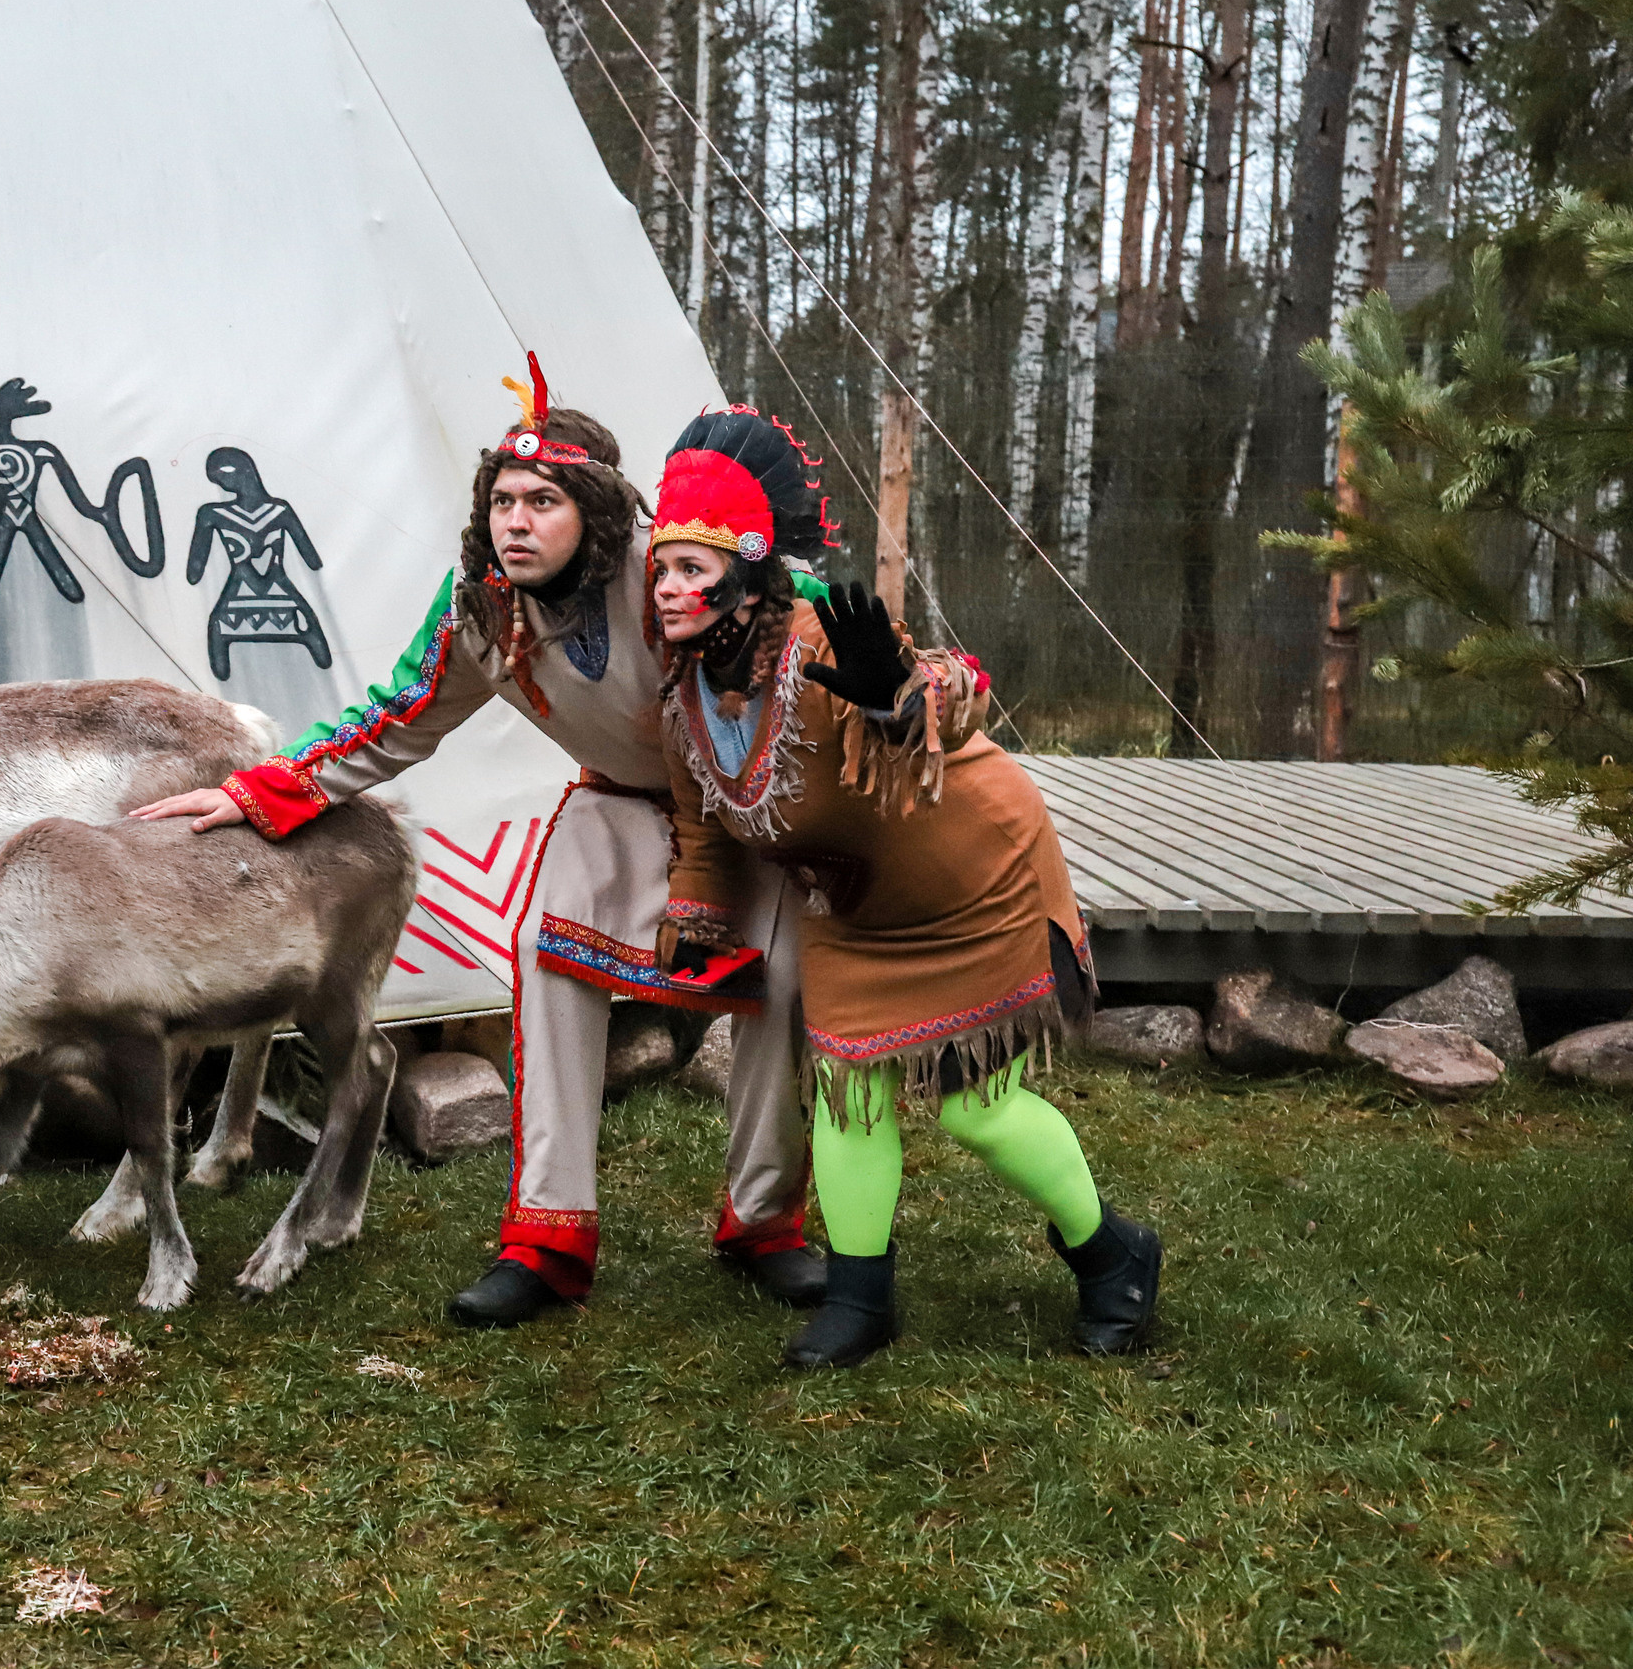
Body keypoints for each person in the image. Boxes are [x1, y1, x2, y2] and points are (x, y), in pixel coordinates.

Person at [134, 358, 824, 1328]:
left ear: (594, 508)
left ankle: (764, 1225)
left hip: (741, 809)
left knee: (779, 981)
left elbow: (801, 608)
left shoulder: (666, 565)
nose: (515, 520)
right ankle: (548, 1239)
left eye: (543, 500)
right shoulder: (481, 608)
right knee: (546, 958)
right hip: (619, 802)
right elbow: (395, 716)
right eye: (502, 498)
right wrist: (257, 792)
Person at [644, 406, 1162, 1368]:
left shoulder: (817, 644)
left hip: (973, 879)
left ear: (749, 579)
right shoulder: (681, 694)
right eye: (662, 567)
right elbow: (703, 823)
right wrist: (693, 912)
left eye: (692, 569)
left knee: (976, 1107)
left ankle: (1115, 1255)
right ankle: (860, 1300)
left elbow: (955, 691)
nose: (669, 588)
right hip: (853, 905)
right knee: (849, 1096)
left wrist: (897, 700)